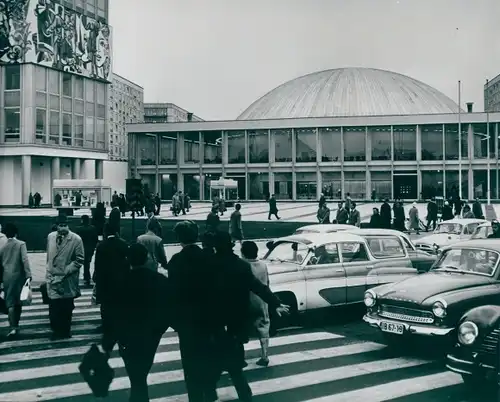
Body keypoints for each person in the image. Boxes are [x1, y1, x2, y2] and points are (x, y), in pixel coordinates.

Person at [211, 232, 289, 401]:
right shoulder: (241, 266)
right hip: (236, 320)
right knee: (235, 366)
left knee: (215, 360)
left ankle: (210, 391)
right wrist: (275, 303)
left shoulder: (209, 265)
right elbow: (259, 287)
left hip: (215, 320)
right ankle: (245, 395)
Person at [102, 243, 171, 402]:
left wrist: (112, 338)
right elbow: (168, 308)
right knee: (141, 372)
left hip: (127, 336)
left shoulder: (119, 280)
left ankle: (138, 396)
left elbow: (111, 312)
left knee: (135, 373)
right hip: (150, 334)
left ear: (128, 259)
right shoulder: (159, 280)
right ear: (146, 257)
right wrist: (159, 329)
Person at [167, 221, 220, 401]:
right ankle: (211, 390)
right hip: (209, 318)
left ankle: (195, 396)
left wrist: (176, 322)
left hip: (187, 322)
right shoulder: (209, 257)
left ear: (179, 238)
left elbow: (172, 295)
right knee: (209, 356)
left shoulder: (176, 261)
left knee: (190, 363)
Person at [45, 214, 84, 340]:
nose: (62, 228)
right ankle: (56, 331)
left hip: (66, 279)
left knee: (66, 308)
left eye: (64, 225)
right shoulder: (50, 237)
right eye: (60, 226)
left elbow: (79, 260)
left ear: (68, 225)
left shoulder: (76, 239)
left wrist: (66, 271)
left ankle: (65, 331)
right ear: (56, 226)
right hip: (52, 278)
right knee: (53, 308)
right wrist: (48, 270)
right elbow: (49, 256)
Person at [94, 222, 130, 341]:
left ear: (105, 232)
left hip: (105, 280)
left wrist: (96, 279)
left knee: (105, 304)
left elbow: (97, 265)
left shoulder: (101, 246)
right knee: (119, 303)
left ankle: (106, 325)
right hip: (121, 279)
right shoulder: (123, 244)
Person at [241, 241, 271, 367]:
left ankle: (240, 358)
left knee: (240, 328)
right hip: (261, 301)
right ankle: (264, 355)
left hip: (246, 301)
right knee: (263, 327)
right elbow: (267, 283)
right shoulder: (263, 265)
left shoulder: (242, 265)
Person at [0, 223, 31, 337]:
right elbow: (25, 260)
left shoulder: (3, 247)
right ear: (16, 233)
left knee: (10, 302)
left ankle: (13, 326)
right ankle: (14, 326)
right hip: (19, 277)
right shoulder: (21, 244)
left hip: (7, 277)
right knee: (18, 302)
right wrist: (28, 275)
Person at [75, 215, 98, 287]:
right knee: (87, 263)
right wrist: (93, 247)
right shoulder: (93, 228)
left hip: (81, 248)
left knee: (78, 264)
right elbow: (95, 239)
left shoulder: (79, 229)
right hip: (90, 248)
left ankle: (84, 277)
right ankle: (87, 277)